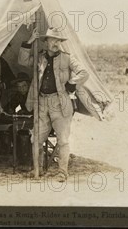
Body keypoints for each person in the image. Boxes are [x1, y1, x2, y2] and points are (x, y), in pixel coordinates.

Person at [18, 26, 88, 181]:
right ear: (46, 41)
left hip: (60, 104)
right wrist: (29, 41)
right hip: (41, 102)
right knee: (35, 139)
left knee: (63, 140)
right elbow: (22, 61)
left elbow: (84, 72)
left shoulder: (67, 58)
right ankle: (39, 169)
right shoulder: (39, 57)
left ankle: (62, 172)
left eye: (59, 40)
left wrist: (71, 83)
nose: (56, 43)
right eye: (53, 39)